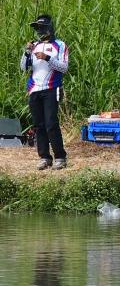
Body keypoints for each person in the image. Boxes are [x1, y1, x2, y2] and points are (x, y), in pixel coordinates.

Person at [21, 14, 69, 170]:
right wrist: (26, 52)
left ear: (49, 28)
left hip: (51, 88)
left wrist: (47, 58)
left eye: (41, 27)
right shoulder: (33, 45)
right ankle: (44, 157)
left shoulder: (60, 45)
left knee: (51, 124)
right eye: (37, 28)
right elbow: (23, 68)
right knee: (38, 125)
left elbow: (64, 67)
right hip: (34, 89)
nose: (39, 31)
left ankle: (60, 157)